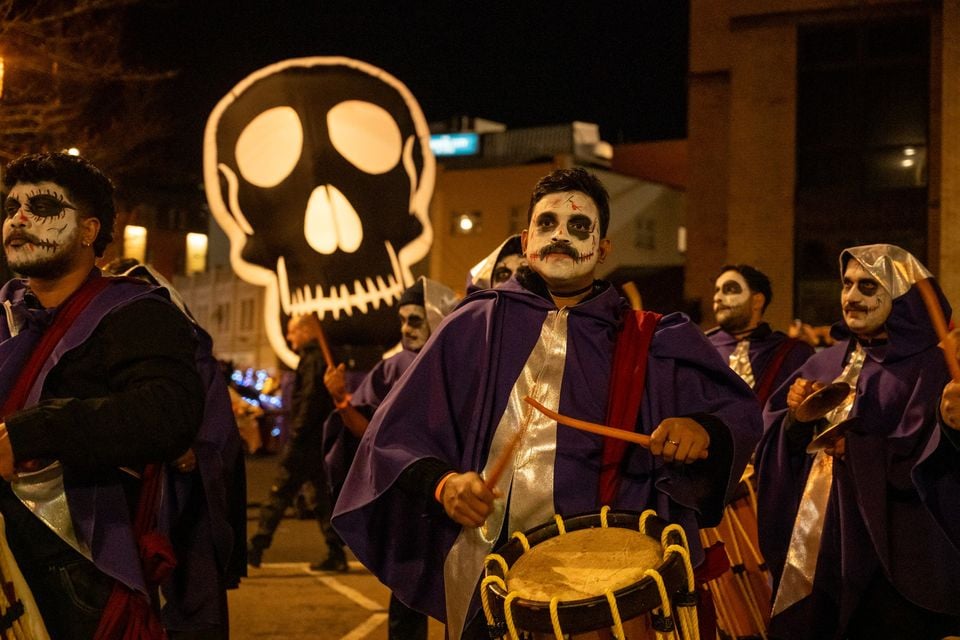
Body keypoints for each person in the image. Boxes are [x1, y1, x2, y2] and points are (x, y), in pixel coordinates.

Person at [332, 167, 762, 639]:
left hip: (606, 590)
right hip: (487, 576)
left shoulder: (652, 339)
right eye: (547, 223)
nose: (561, 235)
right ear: (525, 237)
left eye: (579, 226)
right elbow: (393, 434)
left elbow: (737, 413)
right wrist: (445, 484)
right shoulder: (473, 325)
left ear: (602, 249)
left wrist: (702, 428)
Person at [0, 151, 229, 638]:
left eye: (41, 206)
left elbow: (167, 414)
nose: (18, 218)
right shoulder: (5, 318)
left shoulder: (136, 313)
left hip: (77, 567)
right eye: (11, 206)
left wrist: (33, 433)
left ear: (88, 231)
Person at [756, 244, 960, 639]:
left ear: (901, 297)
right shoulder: (823, 361)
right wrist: (796, 419)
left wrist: (863, 451)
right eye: (847, 284)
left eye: (868, 287)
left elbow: (933, 457)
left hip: (887, 550)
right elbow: (775, 439)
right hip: (815, 540)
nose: (851, 297)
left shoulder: (929, 366)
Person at [323, 276, 455, 640]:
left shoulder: (461, 361)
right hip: (412, 497)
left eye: (414, 319)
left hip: (459, 496)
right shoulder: (394, 366)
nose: (405, 329)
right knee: (408, 592)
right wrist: (341, 401)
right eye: (402, 320)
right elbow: (368, 434)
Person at [247, 313, 347, 571]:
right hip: (317, 440)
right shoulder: (316, 358)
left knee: (280, 492)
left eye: (292, 332)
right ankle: (336, 553)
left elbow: (310, 400)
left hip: (306, 441)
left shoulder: (313, 359)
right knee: (322, 499)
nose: (289, 338)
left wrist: (297, 436)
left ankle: (256, 547)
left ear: (305, 331)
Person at [707, 264, 814, 407]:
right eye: (717, 291)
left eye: (730, 289)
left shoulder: (793, 353)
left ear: (757, 301)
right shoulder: (700, 349)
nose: (718, 298)